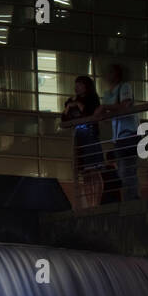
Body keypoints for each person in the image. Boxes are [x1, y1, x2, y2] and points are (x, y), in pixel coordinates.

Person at [99, 63, 140, 200]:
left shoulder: (124, 87)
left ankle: (132, 198)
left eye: (112, 72)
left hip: (129, 133)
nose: (110, 75)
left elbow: (125, 105)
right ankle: (130, 198)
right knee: (123, 169)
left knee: (127, 169)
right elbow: (106, 116)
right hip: (118, 137)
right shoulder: (107, 93)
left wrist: (105, 108)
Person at [62, 76, 104, 207]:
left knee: (94, 171)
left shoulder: (92, 99)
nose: (76, 87)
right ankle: (90, 203)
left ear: (86, 86)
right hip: (78, 138)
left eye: (79, 84)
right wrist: (70, 106)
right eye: (76, 84)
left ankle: (96, 203)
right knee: (85, 172)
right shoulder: (70, 101)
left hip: (89, 135)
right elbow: (64, 119)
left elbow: (89, 114)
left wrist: (78, 105)